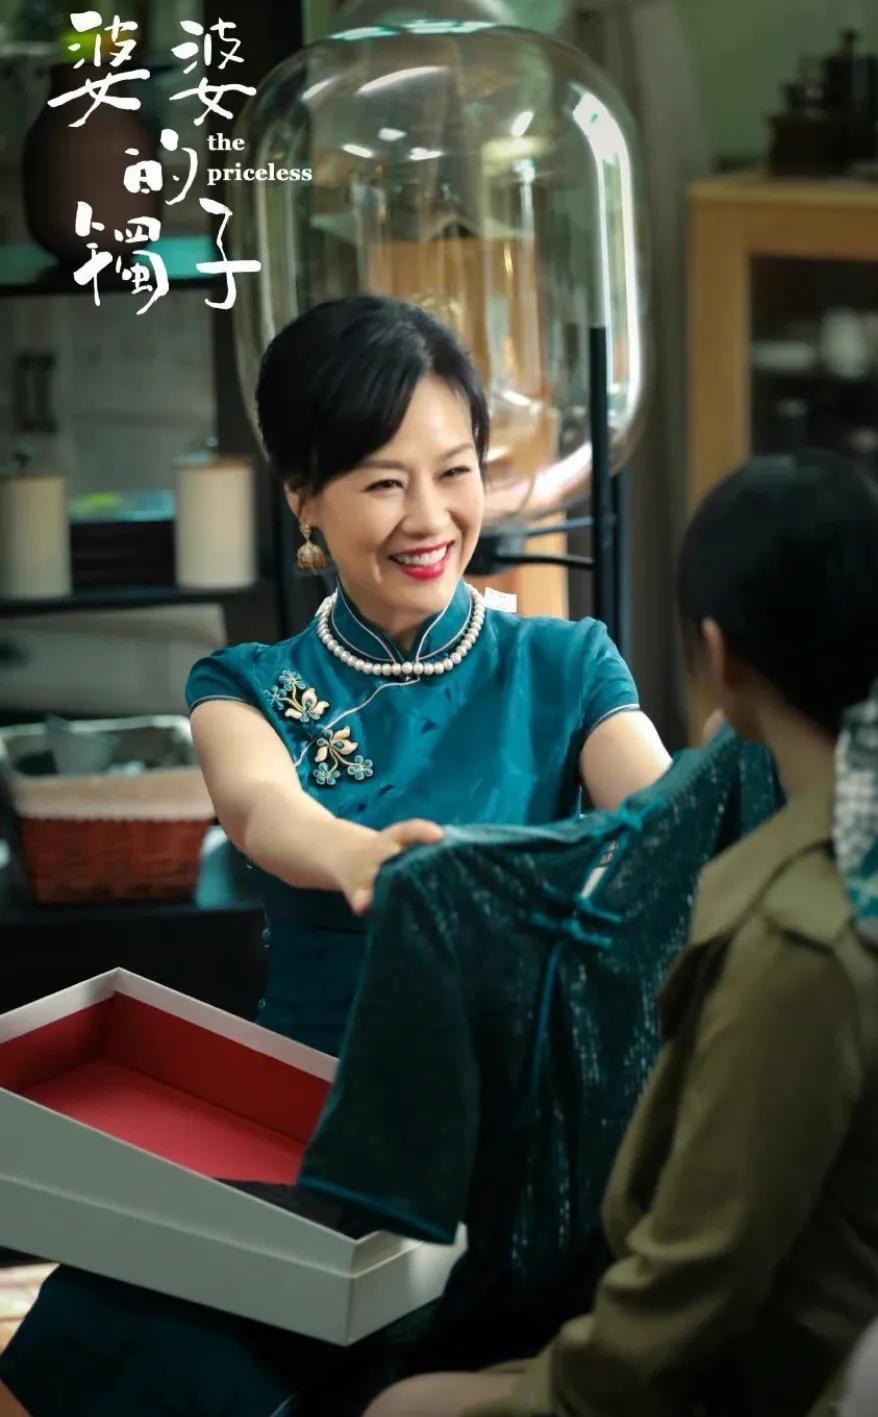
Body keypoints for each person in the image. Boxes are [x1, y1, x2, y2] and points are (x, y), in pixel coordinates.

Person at [0, 296, 671, 1417]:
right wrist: (363, 857)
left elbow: (656, 812)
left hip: (514, 1143)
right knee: (124, 1315)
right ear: (303, 495)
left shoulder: (569, 663)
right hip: (307, 1130)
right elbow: (263, 811)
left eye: (455, 472)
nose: (431, 518)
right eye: (384, 482)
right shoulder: (244, 685)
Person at [366, 451, 878, 1417]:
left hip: (824, 1376)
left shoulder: (801, 945)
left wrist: (538, 1391)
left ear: (721, 654)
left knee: (397, 1404)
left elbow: (687, 1290)